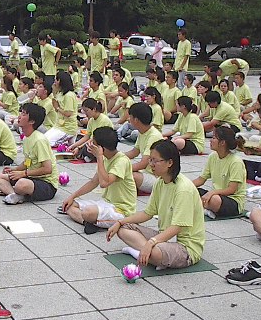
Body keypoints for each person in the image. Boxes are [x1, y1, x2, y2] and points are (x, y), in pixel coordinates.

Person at [107, 140, 205, 269]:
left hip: (185, 247)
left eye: (155, 161)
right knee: (123, 229)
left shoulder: (183, 189)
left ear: (170, 163)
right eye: (150, 160)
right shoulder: (160, 182)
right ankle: (148, 253)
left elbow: (177, 227)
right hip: (164, 238)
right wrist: (120, 222)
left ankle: (145, 253)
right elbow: (148, 213)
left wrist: (151, 242)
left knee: (155, 252)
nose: (151, 165)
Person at [62, 126, 136, 234]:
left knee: (88, 212)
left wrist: (99, 157)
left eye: (94, 143)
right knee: (70, 205)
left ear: (101, 148)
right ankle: (88, 222)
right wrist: (72, 196)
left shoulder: (121, 161)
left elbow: (104, 183)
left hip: (121, 210)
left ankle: (90, 220)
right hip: (106, 203)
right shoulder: (106, 158)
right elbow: (93, 182)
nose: (90, 144)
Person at [0, 104, 58, 205]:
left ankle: (17, 194)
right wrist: (15, 170)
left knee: (21, 184)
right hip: (30, 177)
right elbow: (28, 161)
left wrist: (23, 174)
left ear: (32, 121)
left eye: (24, 114)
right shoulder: (27, 137)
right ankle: (15, 195)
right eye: (21, 113)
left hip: (46, 183)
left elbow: (47, 169)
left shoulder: (39, 140)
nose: (19, 116)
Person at [192, 126, 246, 219]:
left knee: (214, 200)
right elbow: (201, 179)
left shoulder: (235, 162)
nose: (210, 141)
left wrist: (212, 193)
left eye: (213, 138)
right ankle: (204, 207)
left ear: (222, 143)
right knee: (192, 191)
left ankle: (202, 207)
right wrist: (185, 185)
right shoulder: (213, 156)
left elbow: (231, 190)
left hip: (232, 200)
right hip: (216, 194)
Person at [124, 102, 164, 193]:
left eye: (130, 117)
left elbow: (143, 164)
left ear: (136, 120)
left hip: (157, 178)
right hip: (146, 172)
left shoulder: (153, 136)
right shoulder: (142, 132)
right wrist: (116, 156)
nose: (128, 119)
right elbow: (134, 152)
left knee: (128, 176)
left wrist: (122, 168)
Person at [68, 98, 113, 162]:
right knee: (79, 138)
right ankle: (84, 154)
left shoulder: (104, 120)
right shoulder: (91, 120)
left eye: (86, 111)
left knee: (88, 147)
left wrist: (79, 147)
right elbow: (87, 136)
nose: (85, 114)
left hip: (102, 144)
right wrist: (73, 146)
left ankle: (87, 155)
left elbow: (94, 139)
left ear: (94, 109)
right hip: (93, 141)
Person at [45, 71, 78, 146]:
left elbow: (68, 113)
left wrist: (58, 108)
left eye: (56, 80)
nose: (54, 82)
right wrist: (53, 92)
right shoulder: (60, 93)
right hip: (59, 125)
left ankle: (67, 142)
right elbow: (55, 106)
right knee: (43, 139)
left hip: (67, 128)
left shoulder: (69, 95)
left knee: (48, 143)